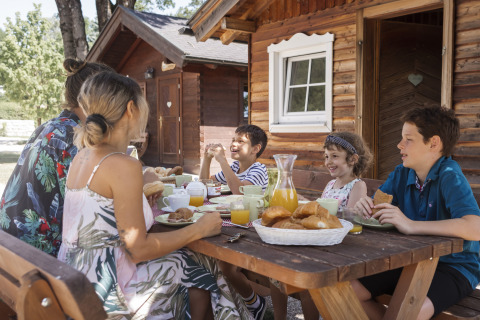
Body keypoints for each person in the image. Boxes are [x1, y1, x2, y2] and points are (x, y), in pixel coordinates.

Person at [57, 71, 252, 319]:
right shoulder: (123, 164)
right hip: (107, 291)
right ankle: (246, 310)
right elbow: (138, 249)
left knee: (188, 259)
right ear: (131, 108)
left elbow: (102, 215)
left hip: (76, 276)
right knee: (200, 266)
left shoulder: (82, 156)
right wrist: (200, 229)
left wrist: (139, 194)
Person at [352, 106, 480, 320]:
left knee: (408, 312)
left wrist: (411, 224)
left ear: (434, 143)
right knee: (347, 290)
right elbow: (377, 209)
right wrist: (364, 207)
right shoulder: (402, 173)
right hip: (407, 261)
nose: (399, 145)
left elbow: (475, 227)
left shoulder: (449, 175)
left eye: (408, 139)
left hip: (453, 267)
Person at [0, 59, 114, 256]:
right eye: (112, 95)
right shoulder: (74, 136)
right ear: (91, 98)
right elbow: (93, 212)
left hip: (10, 247)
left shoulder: (51, 126)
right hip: (40, 257)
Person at [270, 131, 374, 320]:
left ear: (352, 159)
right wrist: (305, 202)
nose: (329, 161)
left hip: (339, 247)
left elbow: (350, 219)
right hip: (320, 240)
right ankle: (279, 316)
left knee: (308, 276)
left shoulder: (358, 186)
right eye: (326, 156)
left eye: (335, 156)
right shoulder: (330, 184)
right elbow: (321, 210)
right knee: (277, 267)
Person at [199, 124, 268, 194]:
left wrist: (222, 160)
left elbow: (240, 192)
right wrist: (207, 158)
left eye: (240, 141)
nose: (233, 144)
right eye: (233, 140)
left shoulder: (259, 170)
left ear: (255, 149)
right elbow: (205, 183)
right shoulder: (235, 167)